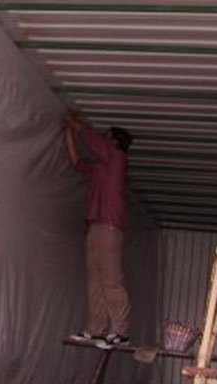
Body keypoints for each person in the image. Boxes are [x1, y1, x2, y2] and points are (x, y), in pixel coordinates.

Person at [64, 112, 134, 350]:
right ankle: (95, 329)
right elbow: (76, 162)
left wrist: (74, 123)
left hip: (110, 226)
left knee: (111, 279)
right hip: (96, 225)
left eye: (106, 136)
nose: (102, 138)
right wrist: (68, 133)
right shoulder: (101, 167)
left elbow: (92, 139)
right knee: (95, 279)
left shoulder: (117, 158)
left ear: (114, 141)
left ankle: (120, 331)